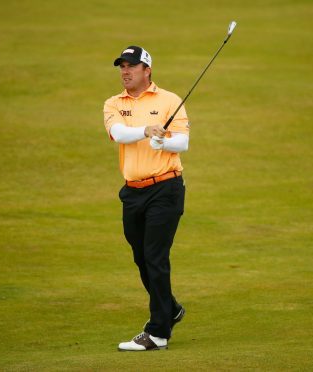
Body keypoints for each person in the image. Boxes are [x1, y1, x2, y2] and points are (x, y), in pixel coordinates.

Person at [103, 45, 190, 351]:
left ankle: (158, 332)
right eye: (121, 67)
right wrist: (146, 131)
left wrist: (163, 141)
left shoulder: (169, 100)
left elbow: (183, 141)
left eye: (131, 66)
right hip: (133, 193)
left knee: (154, 256)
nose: (125, 72)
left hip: (165, 189)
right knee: (141, 257)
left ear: (147, 70)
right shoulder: (113, 103)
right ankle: (171, 309)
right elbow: (117, 133)